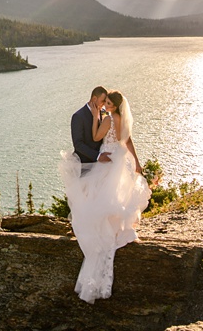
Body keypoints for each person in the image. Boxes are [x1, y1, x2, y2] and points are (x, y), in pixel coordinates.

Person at [59, 89, 150, 304]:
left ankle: (102, 231)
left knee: (98, 197)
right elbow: (128, 142)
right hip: (119, 161)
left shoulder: (108, 119)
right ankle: (119, 228)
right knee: (116, 196)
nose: (104, 105)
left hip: (106, 161)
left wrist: (94, 119)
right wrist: (136, 162)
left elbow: (95, 137)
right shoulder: (121, 119)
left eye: (107, 102)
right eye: (104, 102)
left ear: (113, 105)